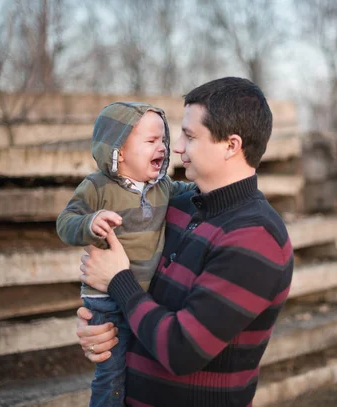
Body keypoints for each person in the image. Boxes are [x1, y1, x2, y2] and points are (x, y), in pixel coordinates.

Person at [77, 77, 294, 407]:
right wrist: (102, 331)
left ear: (231, 146)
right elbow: (142, 305)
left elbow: (181, 349)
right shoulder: (174, 206)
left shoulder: (256, 238)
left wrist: (118, 281)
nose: (176, 147)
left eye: (190, 136)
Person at [56, 102, 194, 407]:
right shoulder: (97, 187)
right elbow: (65, 222)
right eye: (150, 141)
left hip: (144, 297)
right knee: (112, 369)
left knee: (142, 367)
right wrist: (90, 222)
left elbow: (191, 193)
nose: (161, 147)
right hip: (106, 298)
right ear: (118, 150)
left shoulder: (163, 187)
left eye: (162, 140)